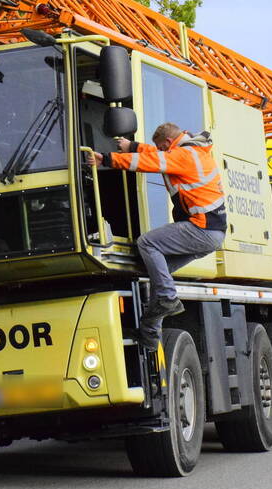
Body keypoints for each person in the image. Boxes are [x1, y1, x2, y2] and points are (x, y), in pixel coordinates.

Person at [89, 122, 226, 349]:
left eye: (161, 147)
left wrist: (107, 159)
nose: (161, 151)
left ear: (167, 143)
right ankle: (150, 335)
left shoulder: (184, 155)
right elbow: (156, 154)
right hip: (211, 234)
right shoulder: (192, 151)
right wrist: (131, 145)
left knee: (147, 243)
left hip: (200, 229)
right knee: (160, 275)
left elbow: (151, 161)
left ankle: (168, 298)